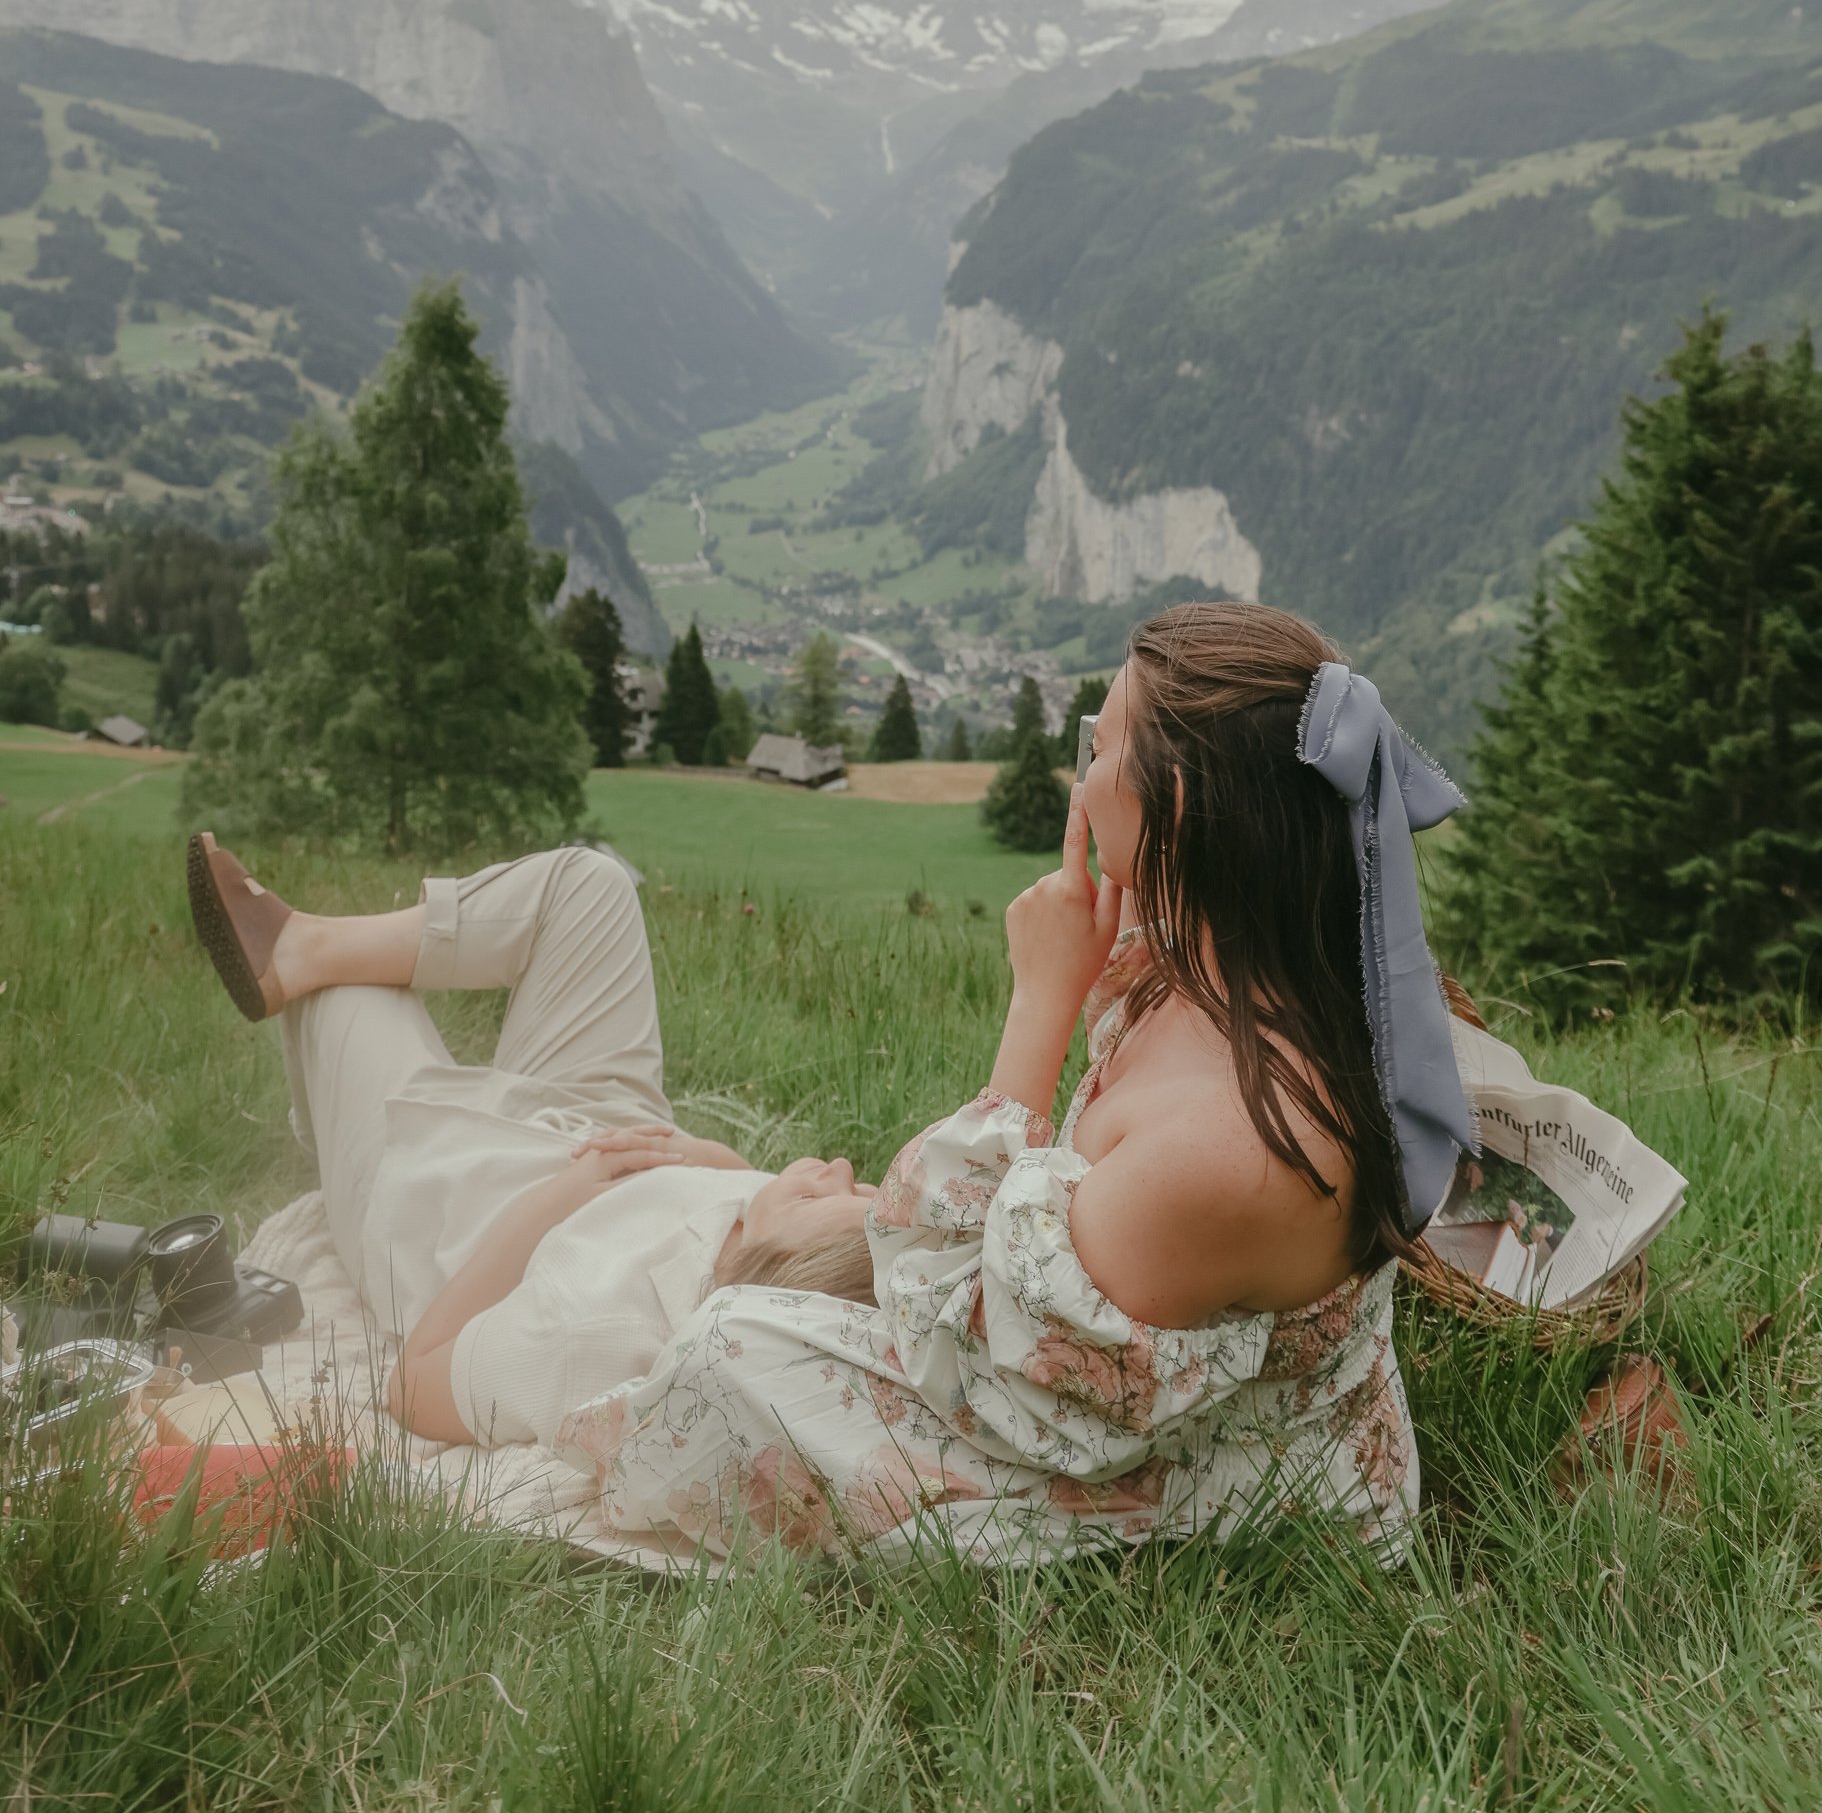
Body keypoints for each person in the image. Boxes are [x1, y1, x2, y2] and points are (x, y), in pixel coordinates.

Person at [556, 601, 1475, 1566]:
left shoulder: (1235, 1146)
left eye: (1103, 745)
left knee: (726, 1352)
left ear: (1180, 809)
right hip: (1140, 1401)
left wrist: (1036, 1006)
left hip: (1204, 1498)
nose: (1081, 775)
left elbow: (983, 1372)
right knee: (759, 1318)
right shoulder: (1240, 963)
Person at [186, 838, 879, 1448]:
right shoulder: (794, 1255)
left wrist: (560, 1198)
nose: (841, 1168)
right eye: (863, 1187)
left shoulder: (591, 1332)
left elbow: (413, 1387)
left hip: (440, 1185)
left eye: (822, 1195)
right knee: (590, 885)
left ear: (762, 1271)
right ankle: (299, 945)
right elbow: (757, 1195)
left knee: (348, 994)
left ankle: (317, 1028)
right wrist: (711, 1159)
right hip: (597, 1117)